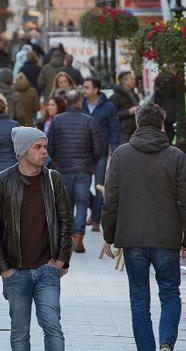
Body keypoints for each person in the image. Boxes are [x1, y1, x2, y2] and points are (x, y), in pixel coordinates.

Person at [102, 103, 186, 351]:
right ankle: (166, 343)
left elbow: (111, 199)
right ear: (162, 125)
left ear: (137, 124)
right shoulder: (175, 156)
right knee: (169, 293)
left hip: (132, 237)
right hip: (166, 236)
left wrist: (108, 235)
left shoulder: (122, 155)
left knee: (139, 298)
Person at [0, 126, 73, 351]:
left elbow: (65, 221)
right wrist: (4, 269)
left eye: (45, 147)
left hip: (48, 269)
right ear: (24, 151)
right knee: (20, 332)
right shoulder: (1, 182)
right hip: (16, 271)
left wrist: (61, 260)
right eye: (38, 147)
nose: (44, 152)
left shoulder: (53, 179)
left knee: (53, 327)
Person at [47, 90, 106, 253]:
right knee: (82, 203)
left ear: (66, 102)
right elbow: (99, 147)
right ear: (79, 102)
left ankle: (69, 236)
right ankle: (78, 236)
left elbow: (50, 144)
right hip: (83, 169)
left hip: (63, 168)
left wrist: (58, 160)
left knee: (67, 203)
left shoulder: (57, 121)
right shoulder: (90, 121)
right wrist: (91, 162)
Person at [82, 77, 119, 231]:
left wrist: (115, 150)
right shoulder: (81, 105)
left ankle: (96, 219)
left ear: (96, 89)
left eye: (86, 87)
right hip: (83, 152)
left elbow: (113, 129)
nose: (83, 90)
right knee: (82, 185)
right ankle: (94, 210)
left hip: (101, 152)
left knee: (99, 185)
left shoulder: (108, 107)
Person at [110, 71, 141, 146]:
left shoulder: (133, 94)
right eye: (132, 79)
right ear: (124, 81)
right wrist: (129, 112)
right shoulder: (115, 97)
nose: (134, 81)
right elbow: (112, 115)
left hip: (135, 130)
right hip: (123, 132)